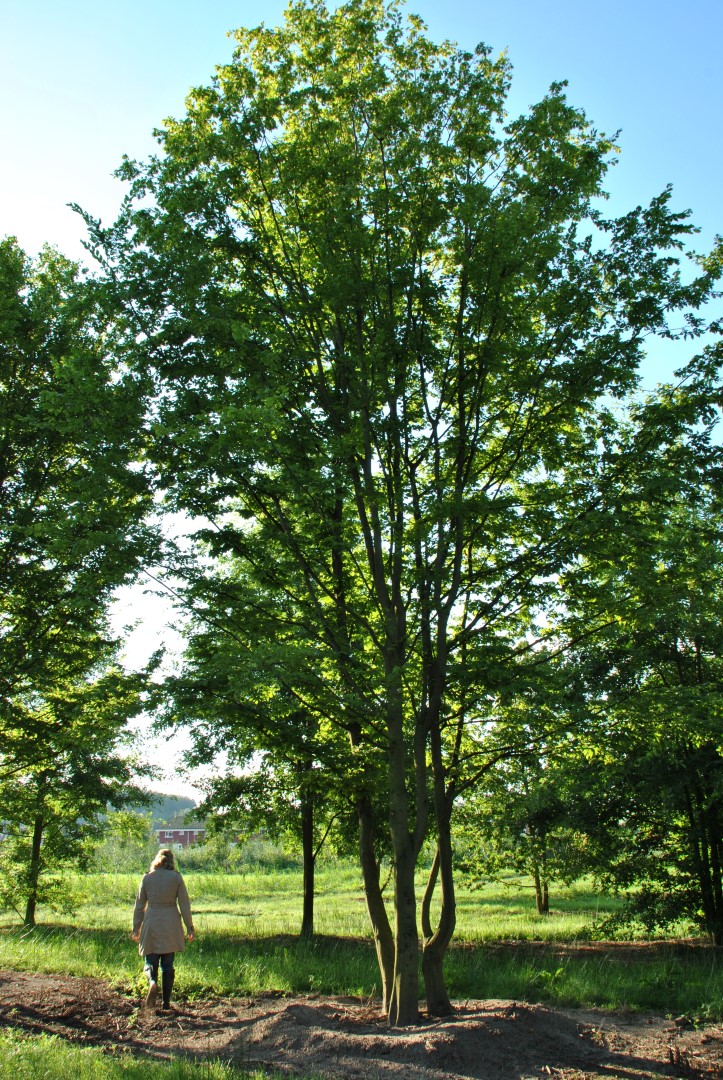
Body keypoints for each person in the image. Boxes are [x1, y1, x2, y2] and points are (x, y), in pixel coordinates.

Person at [131, 848, 195, 1011]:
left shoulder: (147, 877)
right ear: (172, 861)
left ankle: (152, 982)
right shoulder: (176, 878)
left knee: (149, 961)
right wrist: (189, 927)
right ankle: (166, 1003)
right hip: (171, 923)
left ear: (156, 860)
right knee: (167, 965)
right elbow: (184, 904)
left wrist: (136, 928)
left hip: (152, 920)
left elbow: (139, 905)